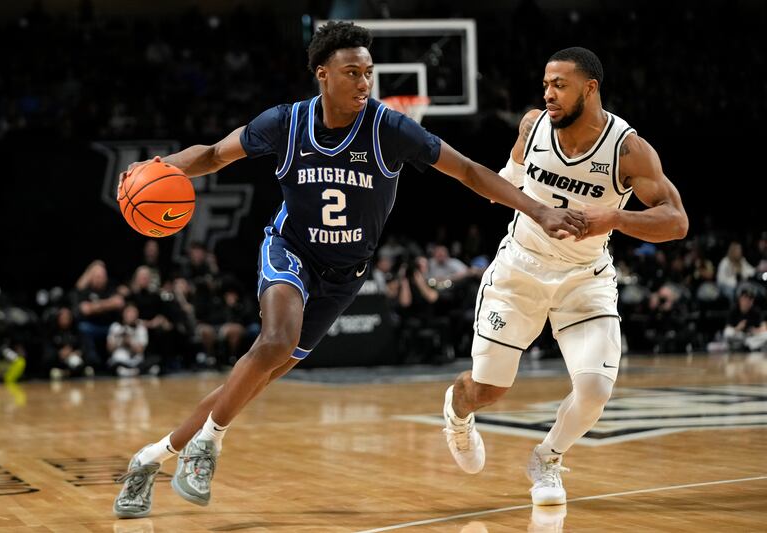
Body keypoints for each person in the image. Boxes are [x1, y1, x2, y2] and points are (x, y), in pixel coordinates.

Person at [112, 22, 586, 518]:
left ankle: (150, 458)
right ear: (323, 73)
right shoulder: (285, 123)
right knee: (275, 341)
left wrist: (538, 210)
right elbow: (211, 155)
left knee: (255, 378)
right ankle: (207, 446)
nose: (364, 83)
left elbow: (468, 170)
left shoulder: (390, 129)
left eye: (368, 73)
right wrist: (158, 167)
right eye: (352, 72)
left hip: (344, 276)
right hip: (291, 250)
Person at [442, 47, 688, 506]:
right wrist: (520, 199)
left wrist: (615, 218)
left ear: (589, 89)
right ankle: (457, 416)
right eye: (546, 85)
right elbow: (508, 181)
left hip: (584, 278)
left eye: (560, 85)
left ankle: (547, 458)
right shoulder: (533, 126)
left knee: (594, 389)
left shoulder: (628, 150)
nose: (548, 94)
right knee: (487, 390)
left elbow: (676, 222)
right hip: (519, 270)